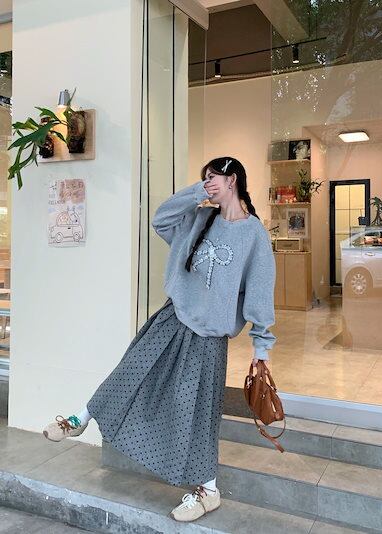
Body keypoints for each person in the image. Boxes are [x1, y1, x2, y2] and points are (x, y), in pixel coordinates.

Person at [42, 156, 276, 523]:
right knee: (130, 371)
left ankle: (208, 490)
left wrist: (261, 349)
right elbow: (161, 219)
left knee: (196, 411)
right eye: (204, 179)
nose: (208, 184)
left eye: (213, 178)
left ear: (232, 180)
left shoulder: (254, 235)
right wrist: (196, 193)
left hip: (208, 337)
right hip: (173, 316)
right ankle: (81, 417)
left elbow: (260, 295)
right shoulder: (200, 218)